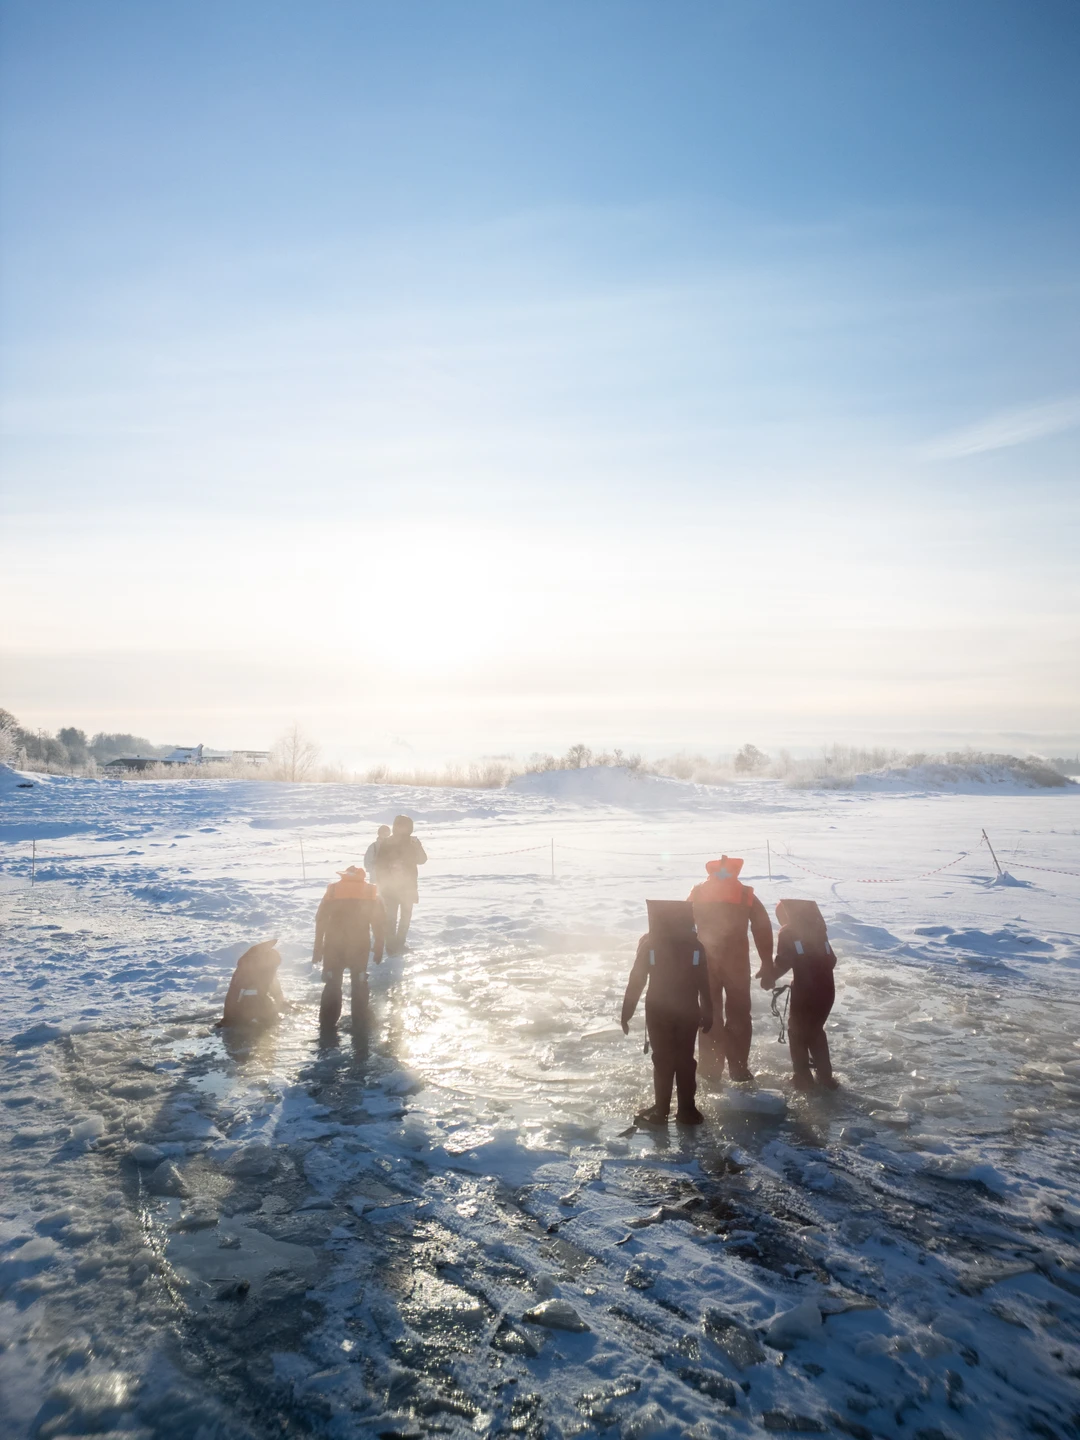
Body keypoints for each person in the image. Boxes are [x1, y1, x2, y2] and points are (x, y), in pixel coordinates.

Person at [620, 899, 713, 1125]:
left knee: (663, 1060)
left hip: (659, 1010)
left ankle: (661, 1111)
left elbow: (637, 980)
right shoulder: (696, 946)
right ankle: (687, 1111)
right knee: (685, 1059)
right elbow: (704, 982)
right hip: (688, 1009)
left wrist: (627, 1011)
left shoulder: (650, 944)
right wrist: (708, 1011)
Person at [688, 856, 773, 1083]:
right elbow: (762, 927)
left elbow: (681, 926)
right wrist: (767, 962)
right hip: (736, 964)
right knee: (739, 1015)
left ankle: (710, 1071)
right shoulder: (745, 894)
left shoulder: (697, 893)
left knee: (709, 1013)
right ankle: (738, 1069)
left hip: (705, 963)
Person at [759, 899, 838, 1091]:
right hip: (827, 990)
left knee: (797, 1032)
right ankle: (826, 1077)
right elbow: (832, 960)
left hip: (806, 991)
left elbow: (784, 961)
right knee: (816, 1031)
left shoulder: (788, 932)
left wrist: (769, 978)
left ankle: (802, 1078)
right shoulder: (820, 931)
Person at [312, 865, 385, 1030]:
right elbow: (379, 923)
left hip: (333, 944)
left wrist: (317, 947)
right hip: (359, 945)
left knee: (332, 983)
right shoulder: (370, 892)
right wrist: (379, 945)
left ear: (344, 876)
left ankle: (327, 1025)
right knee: (359, 982)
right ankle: (360, 1022)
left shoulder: (332, 891)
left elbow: (320, 920)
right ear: (362, 877)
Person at [373, 814, 427, 956]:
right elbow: (379, 864)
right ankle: (391, 947)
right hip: (390, 887)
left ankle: (400, 944)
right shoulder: (387, 842)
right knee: (391, 918)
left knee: (405, 917)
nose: (403, 828)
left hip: (408, 887)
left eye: (407, 826)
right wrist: (389, 871)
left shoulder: (412, 842)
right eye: (400, 825)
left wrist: (417, 846)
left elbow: (422, 860)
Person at [219, 939, 286, 1028]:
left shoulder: (268, 971)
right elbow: (233, 995)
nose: (275, 969)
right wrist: (228, 1019)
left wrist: (282, 1003)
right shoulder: (246, 971)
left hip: (257, 1002)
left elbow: (275, 988)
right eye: (274, 966)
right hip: (245, 1006)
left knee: (271, 1015)